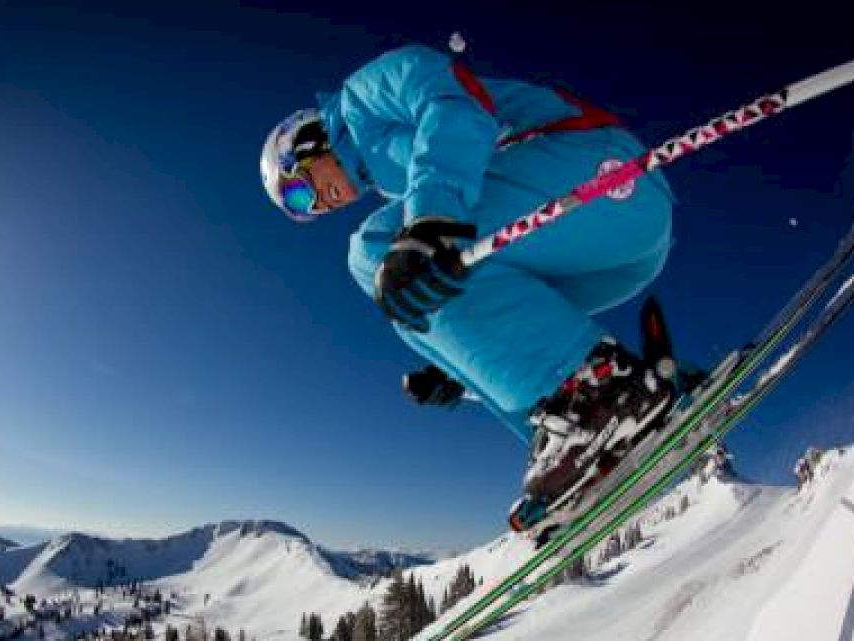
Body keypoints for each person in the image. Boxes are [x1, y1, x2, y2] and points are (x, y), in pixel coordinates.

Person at [260, 43, 677, 529]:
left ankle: (601, 399)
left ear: (307, 143)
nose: (316, 206)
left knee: (376, 251)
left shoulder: (362, 100)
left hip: (596, 169)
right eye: (302, 211)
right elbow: (487, 313)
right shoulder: (395, 175)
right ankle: (588, 447)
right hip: (616, 248)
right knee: (412, 300)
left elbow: (454, 99)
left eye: (298, 190)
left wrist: (432, 215)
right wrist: (460, 365)